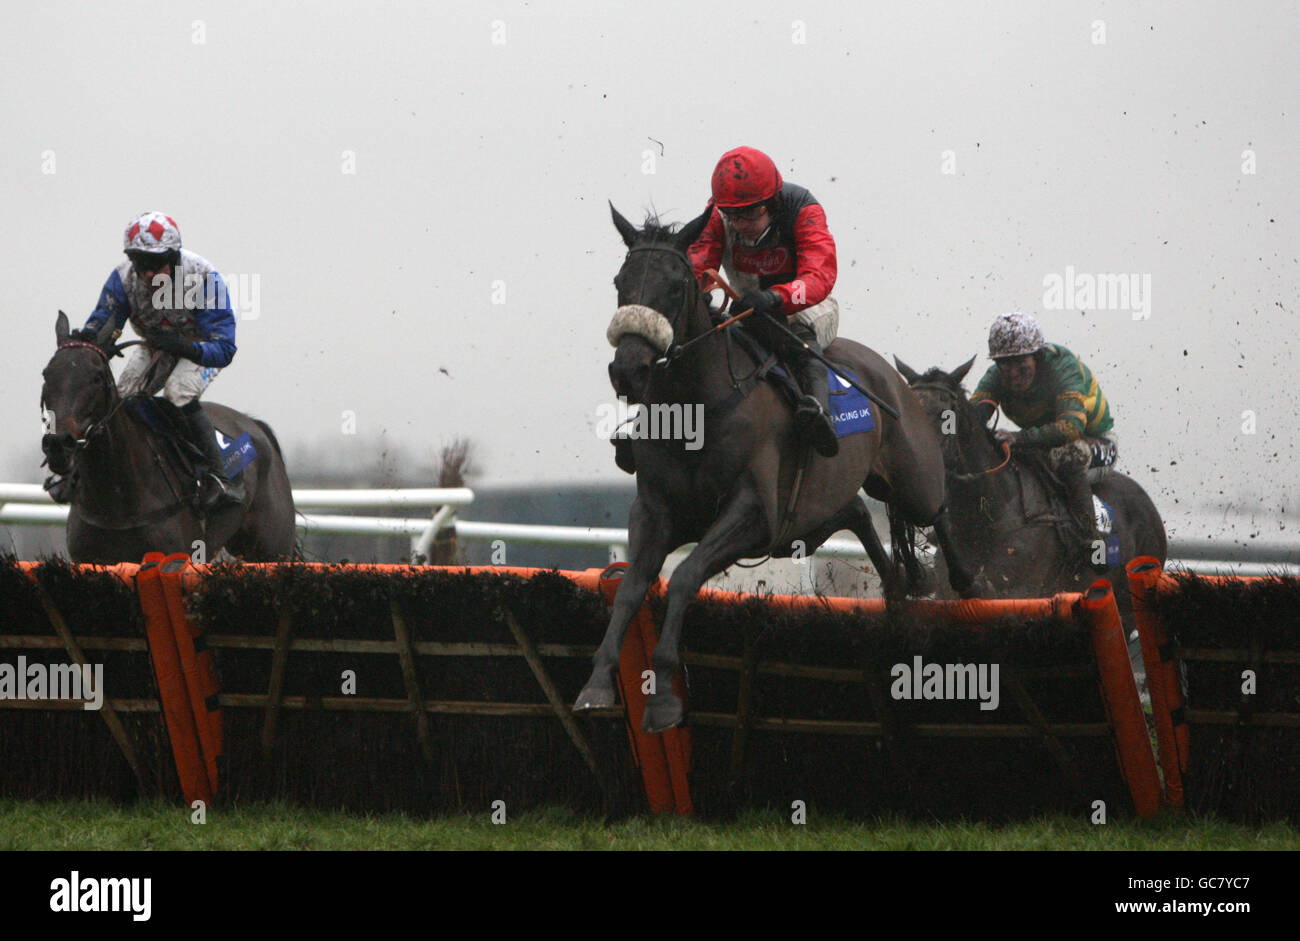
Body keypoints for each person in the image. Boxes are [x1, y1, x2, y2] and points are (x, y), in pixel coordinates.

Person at [612, 146, 841, 473]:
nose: (740, 223)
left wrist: (776, 297)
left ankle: (819, 413)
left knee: (789, 331)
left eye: (750, 214)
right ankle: (650, 423)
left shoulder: (804, 210)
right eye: (733, 215)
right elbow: (700, 266)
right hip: (744, 305)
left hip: (806, 304)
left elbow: (820, 275)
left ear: (772, 202)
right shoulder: (719, 214)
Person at [48, 211, 244, 509]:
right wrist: (89, 339)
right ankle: (78, 474)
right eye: (141, 263)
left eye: (155, 263)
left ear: (173, 256)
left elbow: (225, 348)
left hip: (200, 347)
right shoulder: (122, 279)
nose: (148, 273)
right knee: (119, 400)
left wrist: (184, 347)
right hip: (154, 344)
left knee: (178, 391)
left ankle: (221, 475)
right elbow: (103, 323)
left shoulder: (203, 278)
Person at [970, 311, 1118, 566]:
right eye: (1005, 364)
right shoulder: (995, 377)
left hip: (1094, 441)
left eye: (1020, 364)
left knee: (1067, 457)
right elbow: (971, 419)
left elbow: (1070, 428)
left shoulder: (1063, 367)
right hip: (1042, 445)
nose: (1013, 373)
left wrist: (1017, 437)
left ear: (1036, 356)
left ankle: (1092, 542)